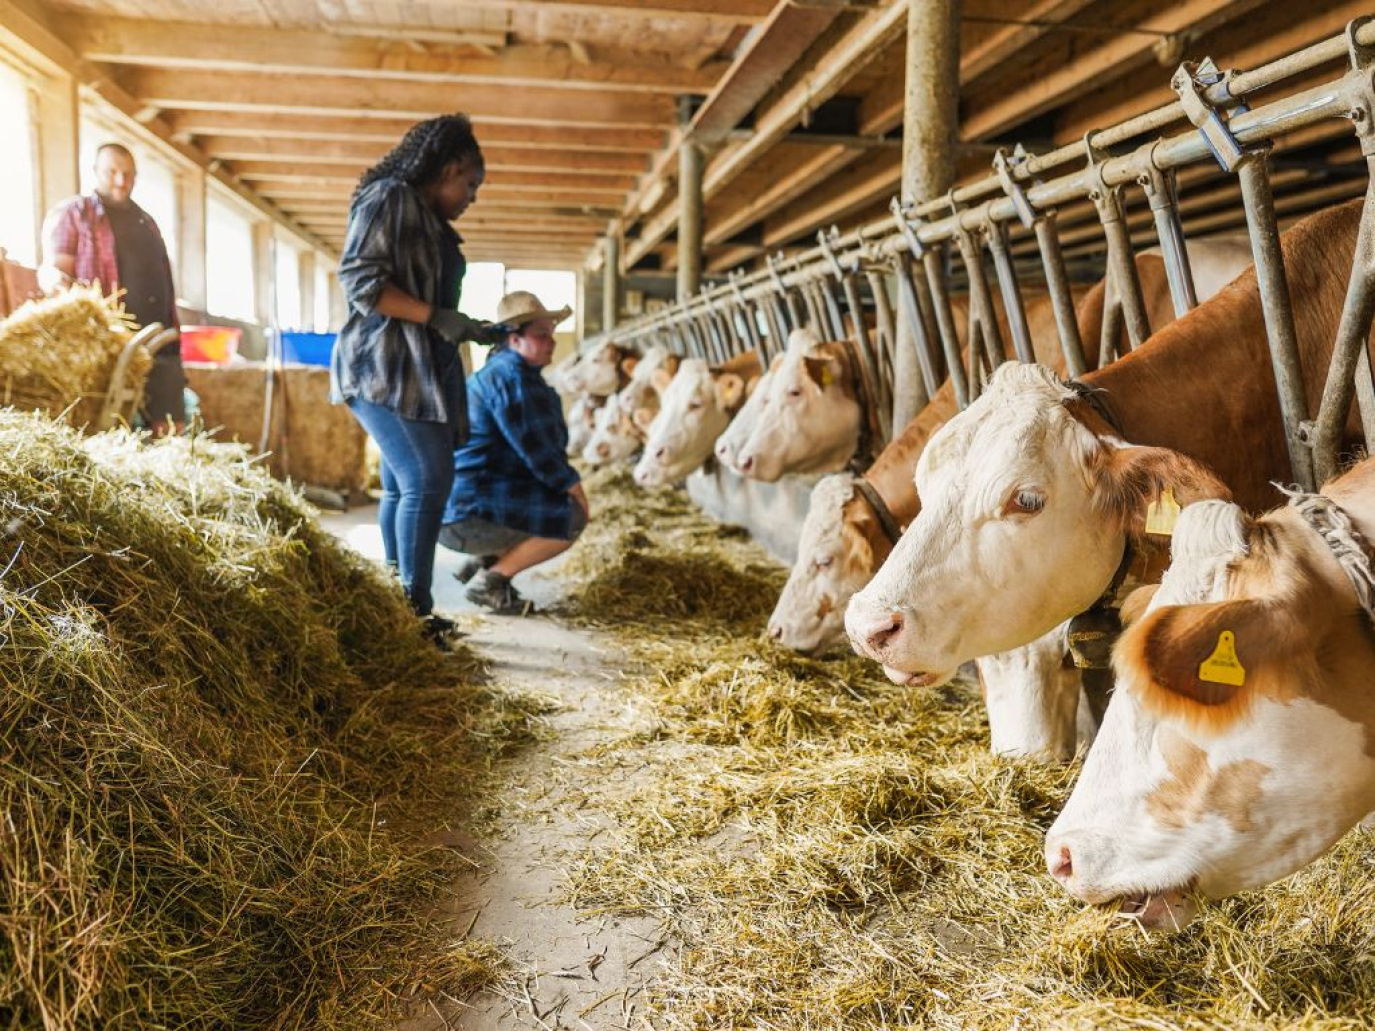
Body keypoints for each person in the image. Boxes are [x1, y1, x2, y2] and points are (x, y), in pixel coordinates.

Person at [332, 112, 502, 644]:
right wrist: (435, 317)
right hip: (382, 365)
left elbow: (430, 298)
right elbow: (359, 279)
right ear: (449, 168)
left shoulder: (428, 219)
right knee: (429, 479)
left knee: (405, 485)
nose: (472, 197)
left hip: (413, 371)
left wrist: (466, 325)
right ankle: (415, 611)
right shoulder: (390, 197)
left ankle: (396, 606)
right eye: (470, 184)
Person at [441, 291, 590, 614]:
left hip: (462, 502)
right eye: (541, 334)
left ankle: (485, 562)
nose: (551, 341)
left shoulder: (507, 371)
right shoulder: (512, 378)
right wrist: (575, 489)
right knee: (572, 515)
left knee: (548, 499)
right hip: (469, 511)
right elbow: (539, 451)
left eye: (551, 332)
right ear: (514, 339)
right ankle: (490, 580)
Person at [40, 142, 186, 435]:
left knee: (169, 425)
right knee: (111, 423)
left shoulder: (147, 221)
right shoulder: (76, 213)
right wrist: (54, 281)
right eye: (112, 172)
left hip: (158, 338)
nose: (121, 181)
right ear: (95, 171)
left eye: (128, 174)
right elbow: (54, 270)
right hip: (109, 341)